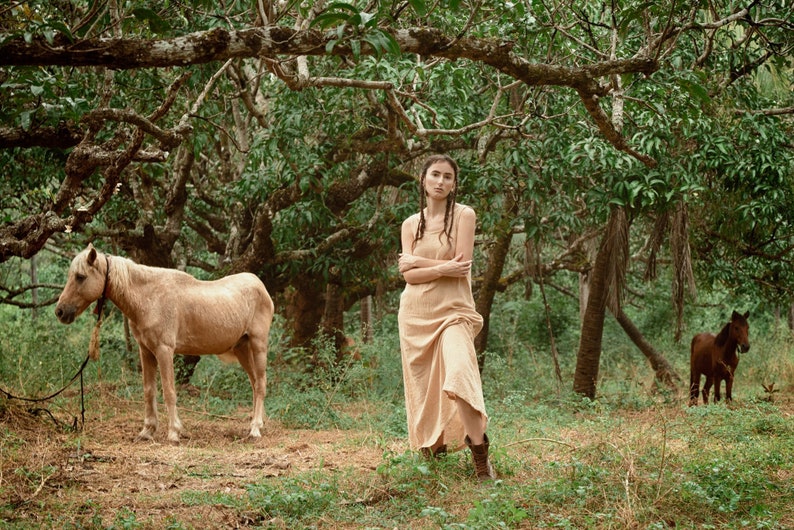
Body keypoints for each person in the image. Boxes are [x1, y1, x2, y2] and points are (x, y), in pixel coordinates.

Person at [397, 154, 496, 482]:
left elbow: (462, 265)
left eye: (448, 177)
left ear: (454, 184)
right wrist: (440, 268)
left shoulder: (464, 216)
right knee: (425, 387)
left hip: (454, 312)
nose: (440, 181)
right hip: (416, 314)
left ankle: (481, 458)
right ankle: (432, 448)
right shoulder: (410, 224)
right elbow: (408, 278)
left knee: (458, 374)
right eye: (435, 175)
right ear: (423, 180)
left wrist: (416, 262)